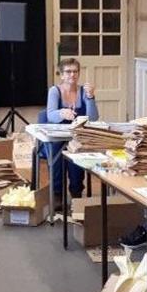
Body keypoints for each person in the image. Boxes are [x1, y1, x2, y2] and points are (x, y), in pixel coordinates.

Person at [44, 57, 98, 199]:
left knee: (76, 164)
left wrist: (91, 97)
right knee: (56, 158)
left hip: (76, 136)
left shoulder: (83, 91)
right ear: (61, 75)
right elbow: (50, 115)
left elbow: (93, 118)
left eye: (75, 71)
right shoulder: (54, 91)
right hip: (57, 135)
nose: (72, 75)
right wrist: (61, 113)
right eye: (68, 72)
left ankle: (76, 193)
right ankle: (57, 196)